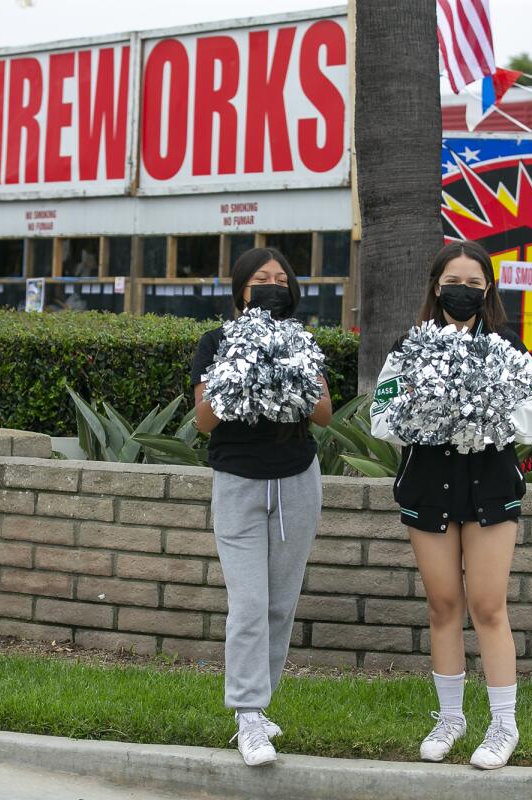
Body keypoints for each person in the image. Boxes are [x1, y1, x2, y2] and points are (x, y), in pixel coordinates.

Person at [370, 240, 532, 770]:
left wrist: (486, 418)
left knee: (489, 607)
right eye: (456, 281)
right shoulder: (408, 347)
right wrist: (430, 413)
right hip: (429, 487)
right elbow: (382, 417)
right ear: (435, 285)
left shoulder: (506, 347)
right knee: (443, 605)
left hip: (490, 489)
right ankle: (450, 718)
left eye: (476, 284)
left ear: (488, 290)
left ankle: (503, 725)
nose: (464, 291)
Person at [190, 247, 334, 767]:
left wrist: (286, 368)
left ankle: (259, 704)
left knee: (278, 605)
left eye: (281, 279)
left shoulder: (303, 342)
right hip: (238, 484)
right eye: (260, 279)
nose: (272, 285)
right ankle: (247, 714)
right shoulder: (216, 342)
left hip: (297, 482)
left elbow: (323, 414)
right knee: (248, 605)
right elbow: (204, 421)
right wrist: (241, 366)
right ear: (240, 290)